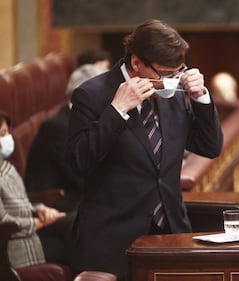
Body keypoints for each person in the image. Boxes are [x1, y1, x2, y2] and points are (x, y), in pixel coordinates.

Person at [65, 19, 223, 279]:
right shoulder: (91, 95)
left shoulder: (172, 93)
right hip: (112, 243)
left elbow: (210, 146)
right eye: (165, 73)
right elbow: (77, 162)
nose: (172, 80)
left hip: (172, 234)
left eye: (178, 71)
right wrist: (117, 111)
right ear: (136, 63)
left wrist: (201, 97)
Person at [25, 57, 109, 213]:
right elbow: (78, 174)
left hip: (79, 196)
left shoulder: (79, 116)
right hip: (57, 203)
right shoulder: (57, 127)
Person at [0, 110, 66, 268]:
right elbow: (3, 222)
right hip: (15, 245)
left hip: (29, 232)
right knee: (78, 241)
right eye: (2, 134)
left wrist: (39, 209)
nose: (8, 138)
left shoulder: (5, 165)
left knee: (79, 222)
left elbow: (20, 202)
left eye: (7, 133)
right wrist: (38, 222)